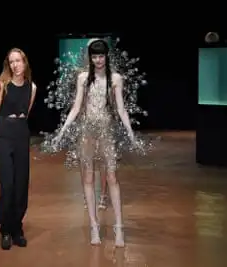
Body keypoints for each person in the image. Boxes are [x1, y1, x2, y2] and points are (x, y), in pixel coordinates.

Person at [49, 38, 144, 247]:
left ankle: (119, 228)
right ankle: (94, 226)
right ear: (90, 58)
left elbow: (120, 109)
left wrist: (131, 134)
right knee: (88, 178)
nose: (98, 60)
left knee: (111, 177)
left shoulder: (116, 78)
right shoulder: (83, 78)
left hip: (106, 131)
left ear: (106, 56)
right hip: (87, 132)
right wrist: (61, 131)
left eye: (101, 56)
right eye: (95, 56)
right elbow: (76, 107)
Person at [0, 48, 37, 250]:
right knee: (7, 184)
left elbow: (27, 112)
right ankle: (5, 229)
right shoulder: (3, 85)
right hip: (4, 136)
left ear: (25, 63)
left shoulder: (32, 87)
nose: (15, 65)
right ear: (8, 65)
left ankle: (17, 228)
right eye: (11, 62)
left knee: (21, 184)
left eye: (18, 61)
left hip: (21, 135)